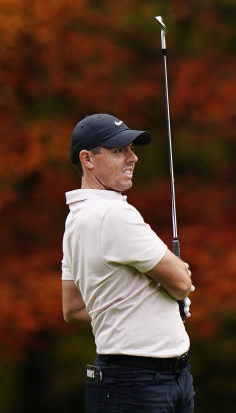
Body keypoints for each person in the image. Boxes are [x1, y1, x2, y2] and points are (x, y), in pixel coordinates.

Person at [61, 113, 195, 413]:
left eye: (131, 149)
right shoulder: (114, 215)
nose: (132, 157)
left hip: (131, 379)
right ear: (88, 159)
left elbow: (73, 309)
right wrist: (170, 295)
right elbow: (181, 282)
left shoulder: (75, 219)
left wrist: (136, 312)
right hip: (142, 383)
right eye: (119, 150)